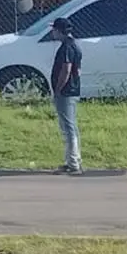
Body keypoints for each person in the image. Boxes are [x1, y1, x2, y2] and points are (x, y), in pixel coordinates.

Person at [49, 17, 84, 175]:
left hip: (66, 92)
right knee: (70, 126)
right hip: (72, 90)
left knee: (68, 127)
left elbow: (67, 70)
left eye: (54, 29)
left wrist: (58, 89)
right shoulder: (74, 45)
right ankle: (71, 159)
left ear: (60, 31)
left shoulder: (66, 48)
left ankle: (73, 163)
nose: (52, 32)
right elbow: (78, 71)